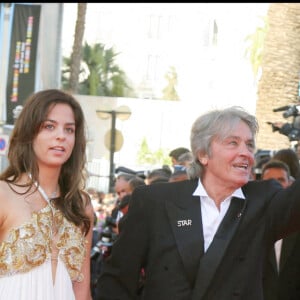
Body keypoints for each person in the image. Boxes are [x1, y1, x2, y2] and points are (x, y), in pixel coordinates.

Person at [96, 106, 300, 300]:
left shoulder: (263, 200)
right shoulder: (154, 202)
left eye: (249, 145)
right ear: (203, 154)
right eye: (233, 143)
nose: (246, 153)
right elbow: (117, 281)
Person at [0, 89, 94, 300]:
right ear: (29, 133)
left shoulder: (80, 205)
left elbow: (82, 288)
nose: (61, 135)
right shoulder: (3, 195)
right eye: (49, 126)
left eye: (69, 129)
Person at [261, 159, 300, 300]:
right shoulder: (252, 225)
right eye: (269, 181)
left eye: (280, 180)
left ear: (290, 183)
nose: (275, 185)